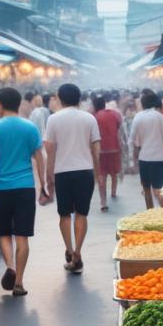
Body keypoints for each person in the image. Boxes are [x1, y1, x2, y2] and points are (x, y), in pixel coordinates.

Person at [0, 87, 49, 297]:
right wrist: (43, 185)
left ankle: (10, 265)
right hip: (25, 187)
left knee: (5, 233)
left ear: (0, 104)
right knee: (22, 237)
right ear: (19, 103)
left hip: (3, 188)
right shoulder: (30, 128)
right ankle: (19, 283)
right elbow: (40, 157)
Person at [45, 83, 101, 273]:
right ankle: (78, 251)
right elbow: (96, 148)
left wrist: (49, 175)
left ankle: (69, 250)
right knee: (81, 213)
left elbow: (50, 150)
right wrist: (98, 172)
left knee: (64, 214)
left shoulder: (53, 119)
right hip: (85, 171)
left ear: (60, 98)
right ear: (79, 97)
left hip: (63, 172)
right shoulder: (89, 118)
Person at [131, 91, 163, 209]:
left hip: (144, 158)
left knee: (146, 190)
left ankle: (150, 213)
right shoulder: (162, 118)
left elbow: (132, 140)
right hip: (160, 159)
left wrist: (132, 160)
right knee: (160, 190)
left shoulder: (138, 117)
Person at [93, 93, 123, 208]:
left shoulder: (94, 117)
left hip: (100, 150)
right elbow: (119, 129)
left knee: (102, 174)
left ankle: (103, 202)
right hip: (114, 148)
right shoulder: (114, 114)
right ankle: (113, 192)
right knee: (114, 173)